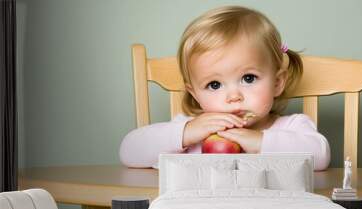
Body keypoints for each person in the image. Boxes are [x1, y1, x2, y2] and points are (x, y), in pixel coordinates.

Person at [120, 6, 330, 170]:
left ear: (277, 83)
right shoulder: (192, 131)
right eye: (214, 84)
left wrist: (260, 142)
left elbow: (320, 156)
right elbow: (129, 151)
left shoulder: (290, 128)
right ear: (195, 94)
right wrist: (186, 133)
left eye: (248, 78)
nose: (233, 96)